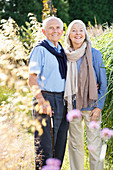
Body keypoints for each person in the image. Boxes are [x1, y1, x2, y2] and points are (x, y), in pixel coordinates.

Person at [64, 20, 107, 170]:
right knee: (75, 145)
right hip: (73, 106)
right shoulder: (65, 55)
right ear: (69, 34)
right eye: (74, 30)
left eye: (80, 30)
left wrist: (99, 106)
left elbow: (103, 82)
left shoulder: (94, 54)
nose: (77, 33)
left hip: (91, 106)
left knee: (94, 145)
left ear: (85, 34)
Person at [28, 16, 69, 170]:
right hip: (45, 99)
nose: (55, 31)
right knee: (45, 146)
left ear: (62, 31)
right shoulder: (40, 49)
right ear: (44, 31)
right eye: (51, 28)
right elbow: (32, 79)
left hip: (61, 100)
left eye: (58, 27)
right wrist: (41, 101)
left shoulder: (61, 51)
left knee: (59, 145)